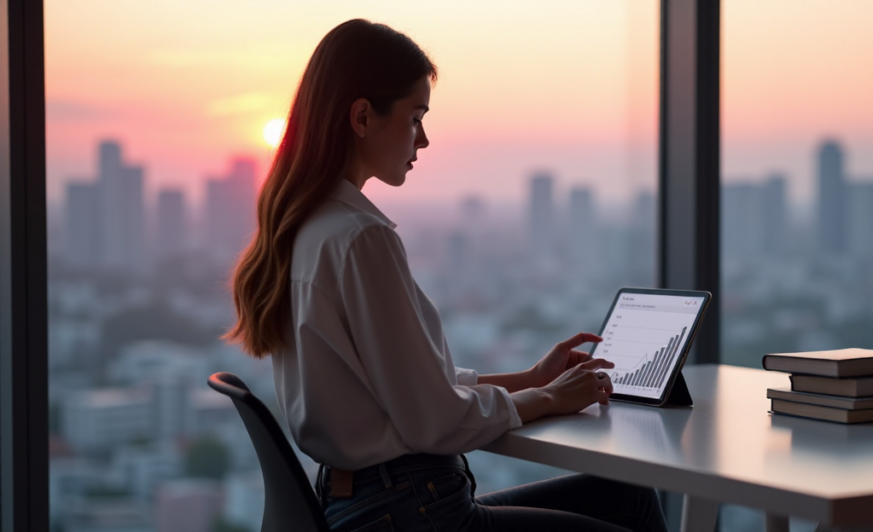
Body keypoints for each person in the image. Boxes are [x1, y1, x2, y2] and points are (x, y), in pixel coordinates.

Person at [226, 19, 668, 532]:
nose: (426, 139)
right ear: (363, 117)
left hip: (366, 503)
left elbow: (405, 389)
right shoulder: (360, 237)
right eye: (415, 118)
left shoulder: (307, 228)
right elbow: (433, 420)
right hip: (414, 510)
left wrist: (530, 379)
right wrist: (548, 398)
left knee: (626, 497)